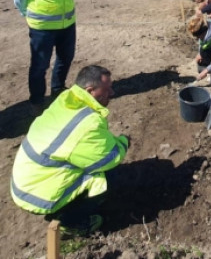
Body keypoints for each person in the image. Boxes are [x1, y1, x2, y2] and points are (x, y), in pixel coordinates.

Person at [10, 65, 129, 237]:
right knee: (108, 176)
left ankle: (66, 206)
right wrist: (124, 141)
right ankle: (71, 222)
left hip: (25, 182)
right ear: (90, 90)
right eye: (107, 89)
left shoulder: (67, 99)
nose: (112, 92)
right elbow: (110, 157)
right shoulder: (87, 125)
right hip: (36, 196)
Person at [13, 0, 77, 116]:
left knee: (66, 59)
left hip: (67, 24)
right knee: (40, 66)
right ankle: (37, 101)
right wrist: (29, 15)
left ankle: (57, 89)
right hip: (42, 28)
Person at [187, 16, 211, 81]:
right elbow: (201, 42)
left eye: (198, 37)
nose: (198, 39)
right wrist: (200, 53)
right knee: (201, 64)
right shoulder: (205, 29)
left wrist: (206, 71)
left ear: (203, 32)